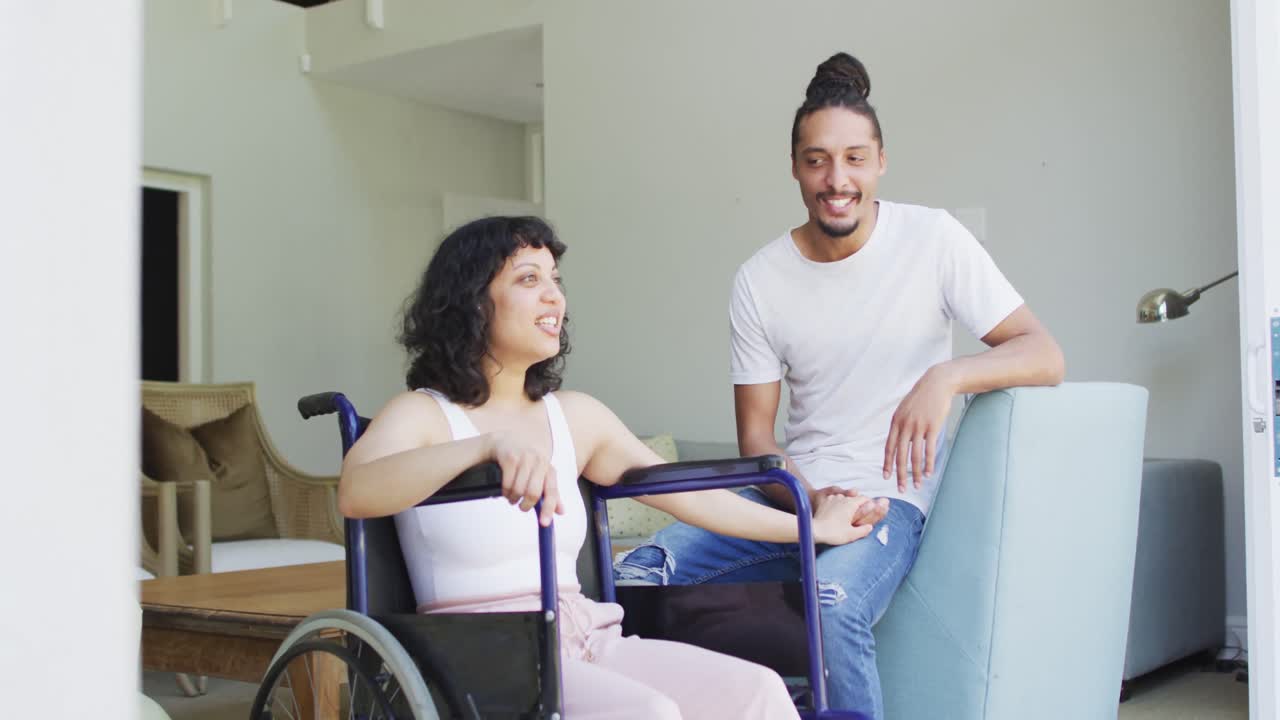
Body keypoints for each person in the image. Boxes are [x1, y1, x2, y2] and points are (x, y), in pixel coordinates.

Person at [614, 52, 1066, 718]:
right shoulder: (759, 280)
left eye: (855, 158)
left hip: (888, 502)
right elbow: (757, 438)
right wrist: (807, 496)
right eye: (818, 160)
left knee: (832, 605)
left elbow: (1044, 354)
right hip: (792, 494)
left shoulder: (934, 238)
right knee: (636, 575)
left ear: (881, 161)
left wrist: (947, 376)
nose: (837, 179)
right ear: (796, 166)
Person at [337, 215, 890, 720]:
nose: (554, 296)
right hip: (481, 657)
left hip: (586, 636)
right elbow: (357, 491)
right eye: (529, 279)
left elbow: (694, 498)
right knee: (649, 713)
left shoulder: (574, 416)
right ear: (471, 301)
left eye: (555, 279)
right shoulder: (423, 415)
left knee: (758, 692)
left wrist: (809, 527)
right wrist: (486, 448)